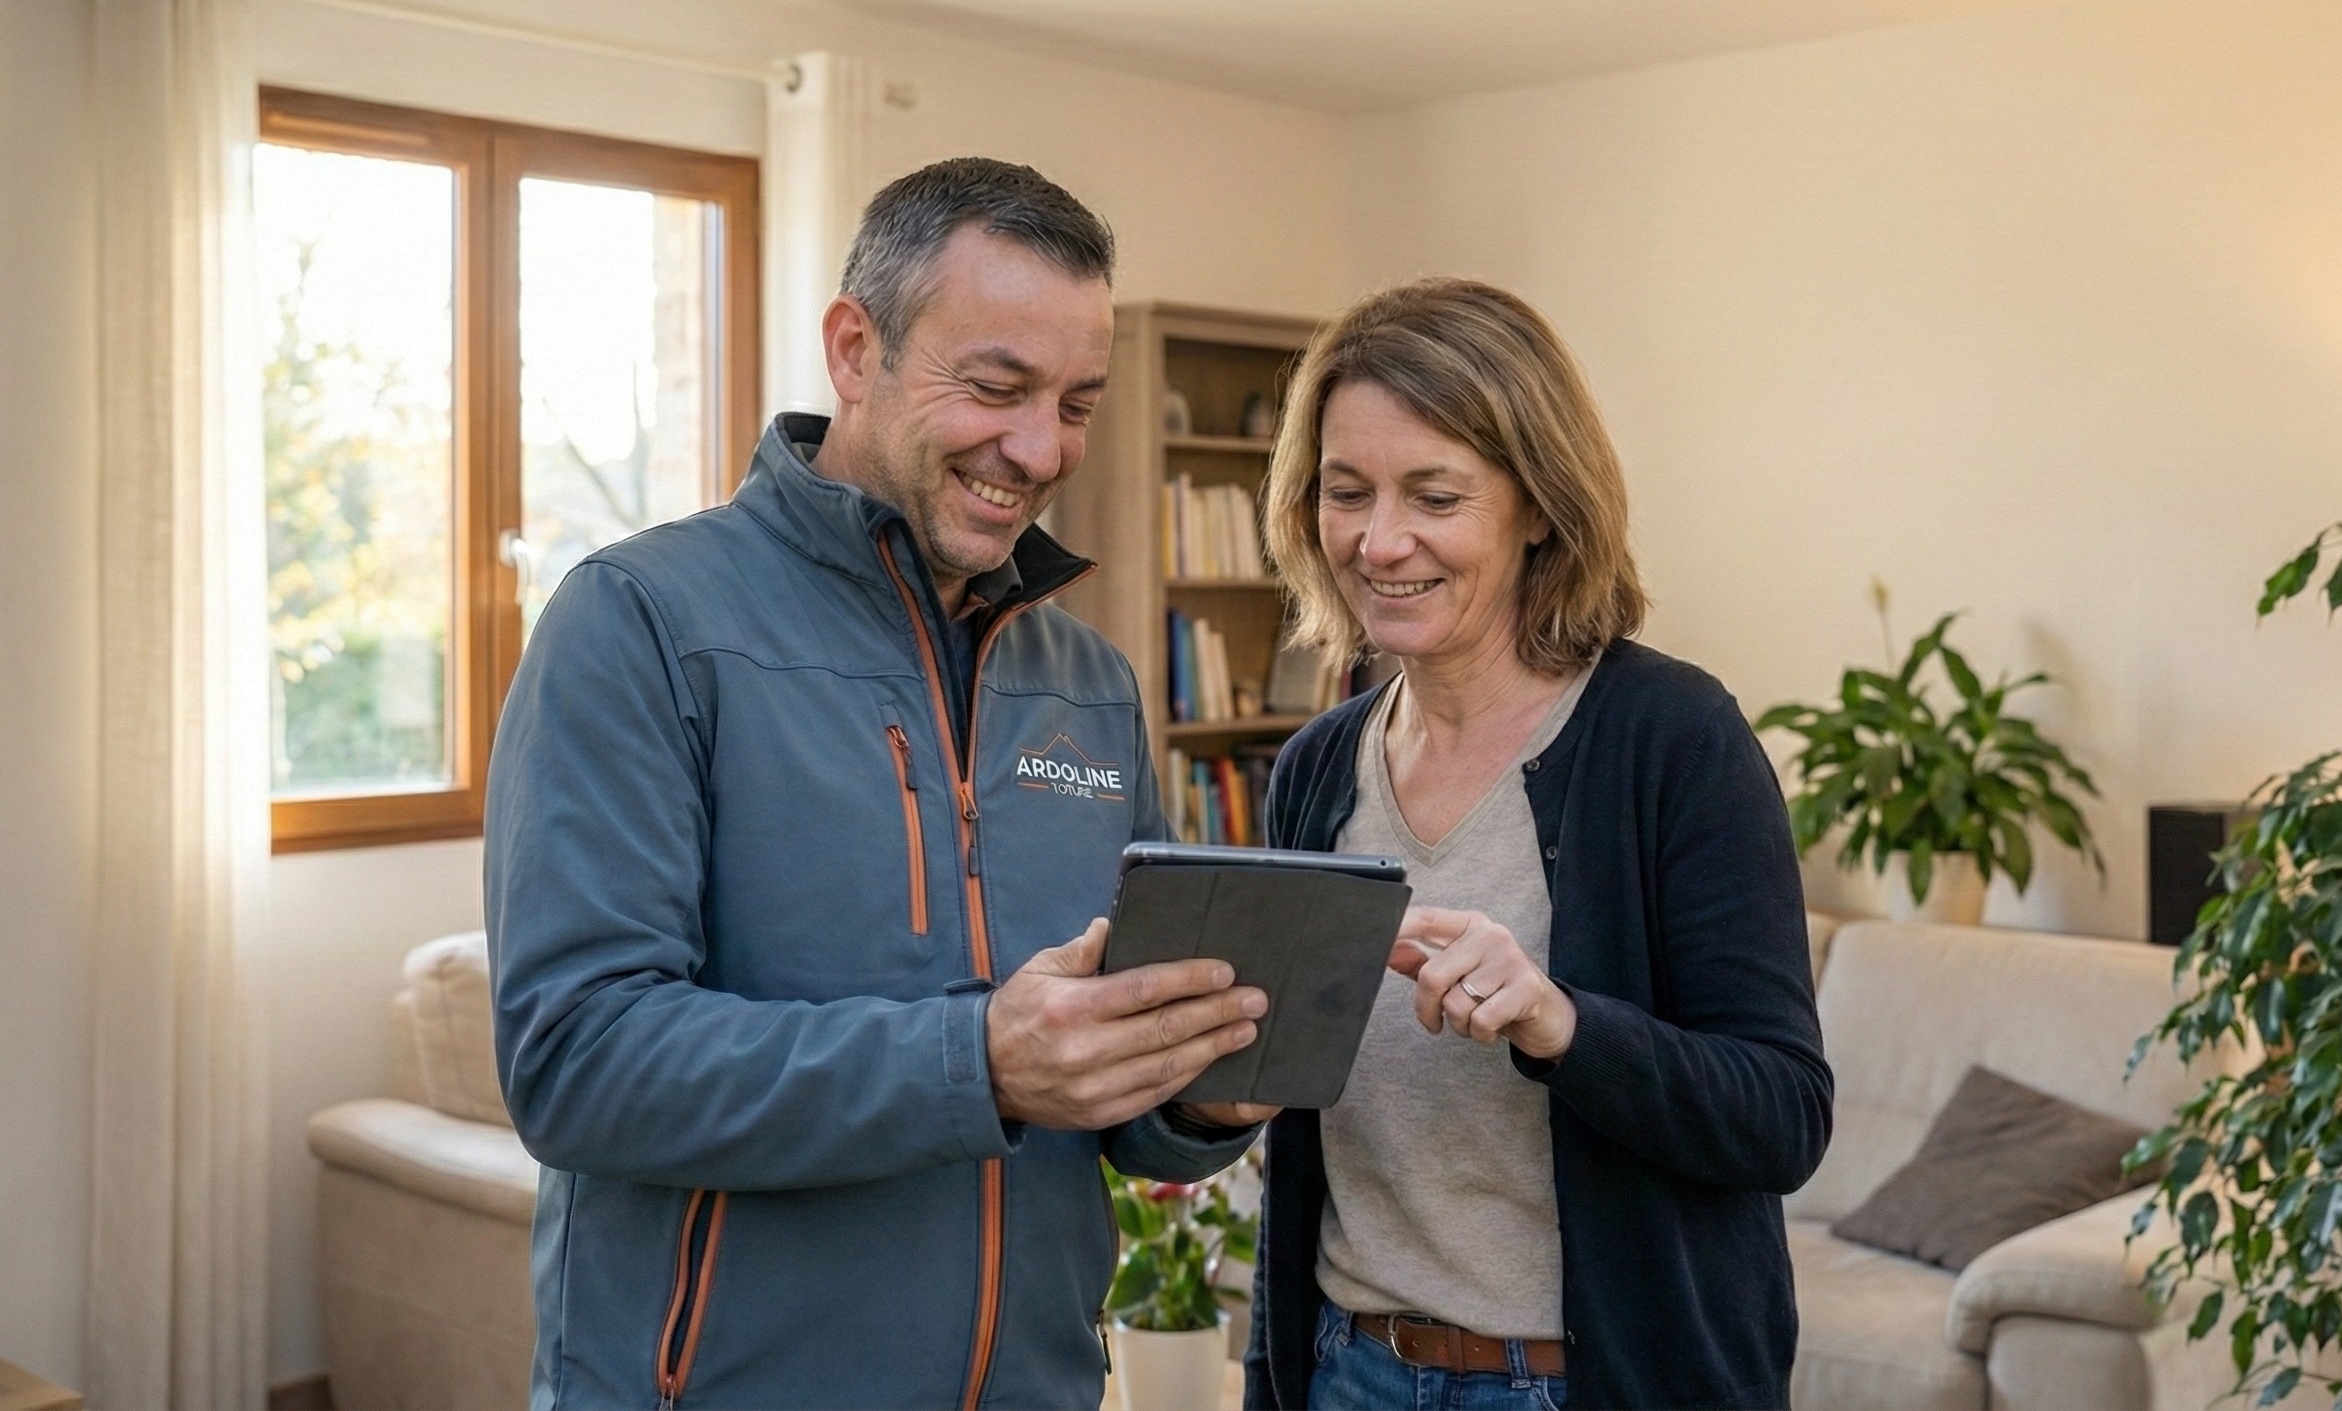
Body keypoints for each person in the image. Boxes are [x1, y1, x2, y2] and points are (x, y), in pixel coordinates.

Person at [485, 158, 1274, 1411]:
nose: (1037, 447)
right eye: (997, 387)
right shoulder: (639, 622)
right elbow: (577, 1060)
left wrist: (1206, 1088)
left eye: (1075, 402)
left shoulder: (1089, 684)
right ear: (855, 349)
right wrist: (980, 1063)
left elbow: (1109, 1100)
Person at [1244, 278, 1833, 1411]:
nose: (1380, 540)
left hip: (1578, 1386)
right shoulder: (1318, 768)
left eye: (1434, 494)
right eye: (1346, 491)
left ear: (1536, 506)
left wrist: (1557, 1020)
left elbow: (1780, 1114)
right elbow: (1298, 1118)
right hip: (1343, 1370)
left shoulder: (1669, 738)